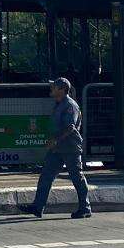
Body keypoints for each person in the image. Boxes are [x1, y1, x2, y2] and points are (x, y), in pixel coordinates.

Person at [18, 77, 91, 219]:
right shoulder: (59, 104)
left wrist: (55, 140)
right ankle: (38, 207)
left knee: (77, 177)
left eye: (54, 87)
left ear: (62, 90)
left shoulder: (70, 105)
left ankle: (85, 208)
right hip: (57, 148)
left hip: (70, 148)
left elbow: (70, 127)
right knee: (46, 175)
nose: (51, 89)